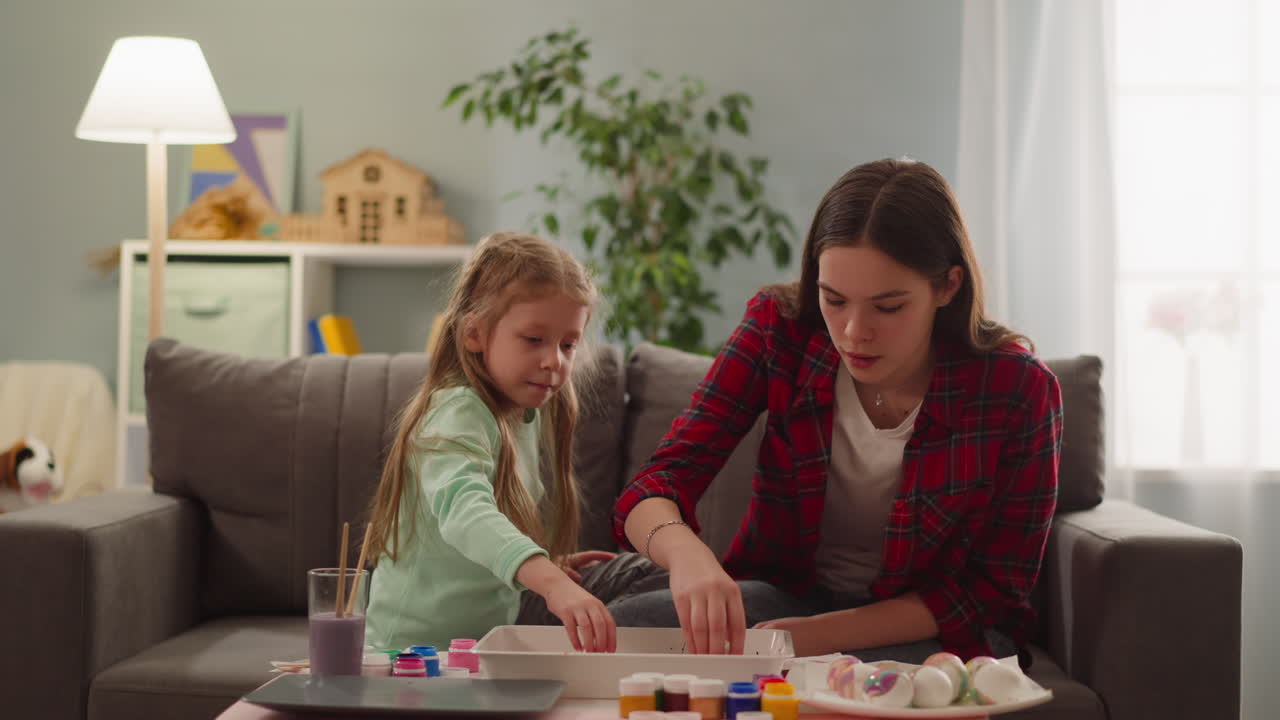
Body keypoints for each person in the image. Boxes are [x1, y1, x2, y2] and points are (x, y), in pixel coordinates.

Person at [609, 158, 1063, 664]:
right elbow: (654, 485)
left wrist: (813, 639)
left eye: (887, 307)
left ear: (948, 286)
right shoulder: (778, 331)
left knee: (918, 680)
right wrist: (688, 557)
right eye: (834, 300)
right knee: (615, 631)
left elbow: (994, 589)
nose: (853, 332)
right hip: (786, 599)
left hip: (931, 627)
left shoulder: (1018, 388)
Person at [364, 232, 664, 654]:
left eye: (568, 344)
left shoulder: (520, 414)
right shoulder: (456, 411)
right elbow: (468, 514)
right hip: (416, 656)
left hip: (483, 644)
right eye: (533, 339)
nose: (554, 361)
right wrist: (550, 581)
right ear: (475, 335)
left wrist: (544, 564)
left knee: (645, 573)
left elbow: (486, 541)